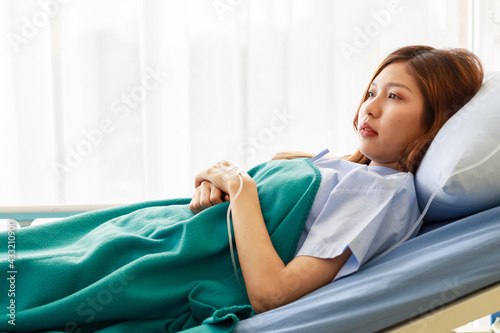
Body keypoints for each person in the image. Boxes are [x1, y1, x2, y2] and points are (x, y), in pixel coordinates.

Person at [189, 45, 484, 313]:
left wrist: (241, 188)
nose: (369, 107)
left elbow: (272, 293)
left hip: (185, 264)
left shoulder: (381, 191)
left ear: (434, 123)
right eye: (371, 93)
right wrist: (215, 182)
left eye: (394, 96)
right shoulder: (348, 171)